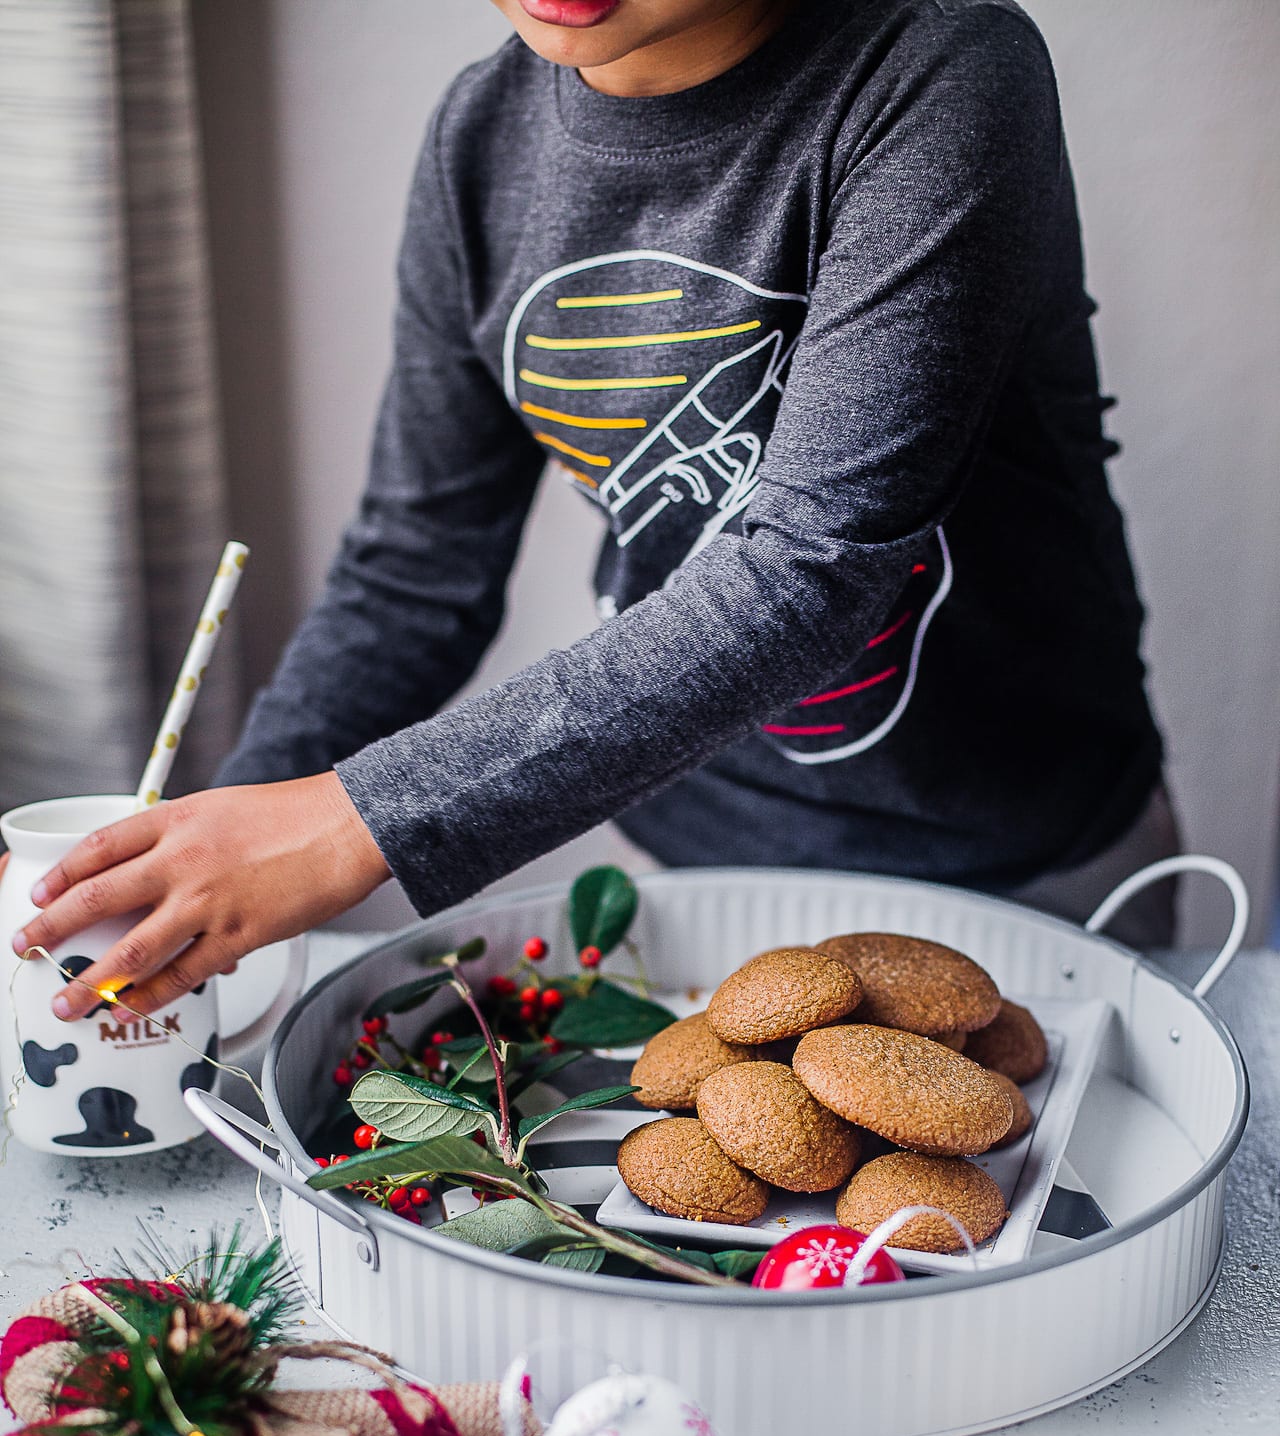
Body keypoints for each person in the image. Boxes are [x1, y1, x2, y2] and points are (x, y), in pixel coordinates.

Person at [14, 0, 1177, 1023]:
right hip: (693, 887)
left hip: (1028, 870)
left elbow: (809, 575)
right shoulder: (478, 138)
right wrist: (189, 868)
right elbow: (413, 572)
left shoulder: (940, 67)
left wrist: (348, 824)